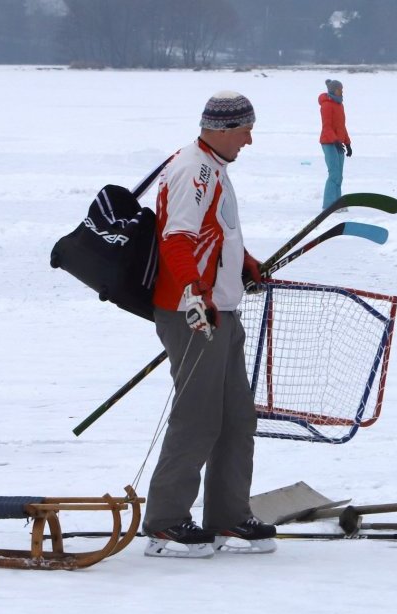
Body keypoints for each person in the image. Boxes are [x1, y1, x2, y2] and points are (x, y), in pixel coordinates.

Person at [142, 91, 276, 559]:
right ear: (221, 129)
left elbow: (213, 234)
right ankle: (165, 523)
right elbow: (175, 239)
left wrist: (244, 262)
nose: (249, 140)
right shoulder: (193, 170)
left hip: (221, 309)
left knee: (237, 417)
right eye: (245, 131)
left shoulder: (214, 167)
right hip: (193, 313)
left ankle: (228, 516)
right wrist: (195, 292)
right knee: (197, 417)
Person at [319, 78, 352, 209]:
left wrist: (347, 143)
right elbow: (326, 127)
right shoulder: (326, 105)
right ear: (334, 90)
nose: (342, 92)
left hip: (338, 143)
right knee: (334, 174)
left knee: (339, 176)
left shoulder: (340, 105)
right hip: (328, 142)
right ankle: (329, 205)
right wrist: (335, 140)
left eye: (342, 89)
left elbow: (342, 127)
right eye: (340, 89)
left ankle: (338, 204)